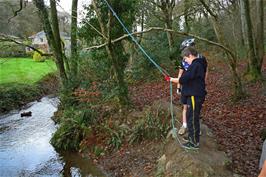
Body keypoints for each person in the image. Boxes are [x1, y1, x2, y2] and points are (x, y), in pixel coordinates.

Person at [165, 47, 207, 150]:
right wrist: (172, 79)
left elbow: (184, 78)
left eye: (185, 58)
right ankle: (191, 138)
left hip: (194, 95)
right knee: (190, 116)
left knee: (192, 118)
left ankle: (194, 143)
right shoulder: (197, 64)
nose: (185, 61)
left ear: (190, 55)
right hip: (193, 94)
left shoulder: (196, 65)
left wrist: (171, 80)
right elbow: (187, 78)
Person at [177, 38, 208, 135]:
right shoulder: (183, 60)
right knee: (185, 106)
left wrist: (203, 84)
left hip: (195, 87)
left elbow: (205, 72)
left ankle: (195, 127)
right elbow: (180, 74)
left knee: (195, 108)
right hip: (186, 86)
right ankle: (184, 125)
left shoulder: (201, 59)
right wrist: (178, 86)